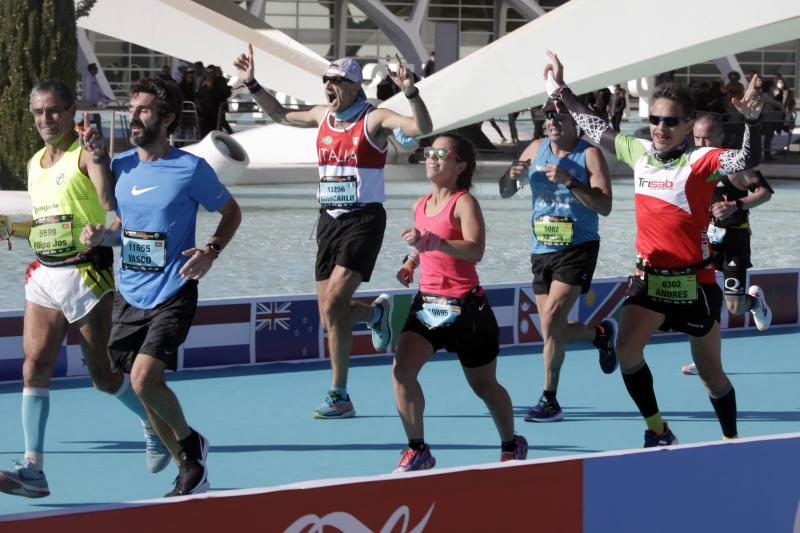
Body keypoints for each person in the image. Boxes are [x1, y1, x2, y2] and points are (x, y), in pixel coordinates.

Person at [543, 50, 763, 446]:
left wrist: (750, 122)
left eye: (671, 121)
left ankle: (732, 440)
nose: (660, 127)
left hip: (695, 282)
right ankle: (658, 429)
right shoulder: (639, 151)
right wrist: (562, 88)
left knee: (711, 374)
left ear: (688, 125)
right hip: (649, 280)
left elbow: (747, 157)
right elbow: (592, 124)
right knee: (627, 353)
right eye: (655, 119)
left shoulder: (701, 160)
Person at [233, 45, 433, 419]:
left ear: (355, 87)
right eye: (326, 79)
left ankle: (338, 394)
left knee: (332, 303)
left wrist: (410, 92)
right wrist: (253, 84)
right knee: (331, 315)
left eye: (337, 80)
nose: (329, 85)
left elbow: (421, 128)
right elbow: (279, 114)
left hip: (364, 220)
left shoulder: (373, 119)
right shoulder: (321, 116)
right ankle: (374, 314)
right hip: (328, 220)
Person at [0, 80, 167, 499]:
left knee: (103, 377)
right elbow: (45, 226)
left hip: (87, 276)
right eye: (38, 112)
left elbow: (112, 213)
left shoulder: (87, 155)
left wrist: (105, 228)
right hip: (45, 275)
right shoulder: (35, 163)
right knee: (34, 363)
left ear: (71, 110)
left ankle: (153, 422)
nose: (45, 120)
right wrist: (12, 228)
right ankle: (32, 468)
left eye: (53, 110)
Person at [94, 78, 241, 496]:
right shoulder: (119, 166)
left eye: (143, 109)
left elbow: (231, 213)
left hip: (173, 290)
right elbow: (116, 226)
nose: (133, 116)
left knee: (143, 380)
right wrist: (98, 233)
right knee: (145, 391)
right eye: (131, 107)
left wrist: (211, 250)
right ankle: (190, 464)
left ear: (167, 118)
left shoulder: (190, 168)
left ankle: (190, 443)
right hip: (129, 293)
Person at [392, 134, 527, 471]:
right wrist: (411, 262)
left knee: (484, 386)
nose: (432, 158)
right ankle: (417, 448)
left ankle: (511, 443)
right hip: (430, 305)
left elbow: (475, 250)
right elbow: (422, 244)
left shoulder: (464, 203)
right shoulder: (419, 205)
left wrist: (436, 241)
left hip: (467, 309)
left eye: (441, 153)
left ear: (460, 165)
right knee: (402, 371)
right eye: (429, 152)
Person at [498, 98, 617, 422]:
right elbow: (505, 191)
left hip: (578, 245)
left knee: (550, 319)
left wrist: (571, 181)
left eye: (559, 116)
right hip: (542, 247)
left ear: (574, 121)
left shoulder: (589, 154)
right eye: (547, 115)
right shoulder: (535, 148)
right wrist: (511, 175)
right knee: (553, 328)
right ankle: (600, 335)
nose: (551, 121)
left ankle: (550, 399)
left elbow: (604, 206)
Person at [681, 114, 773, 375]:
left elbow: (765, 193)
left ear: (720, 137)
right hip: (705, 241)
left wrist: (736, 205)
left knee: (733, 306)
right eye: (696, 137)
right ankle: (705, 360)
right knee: (702, 301)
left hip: (734, 240)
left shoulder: (735, 163)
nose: (700, 143)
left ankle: (754, 302)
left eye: (707, 137)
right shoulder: (689, 161)